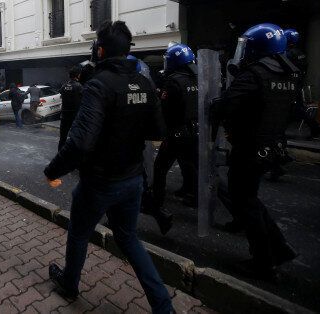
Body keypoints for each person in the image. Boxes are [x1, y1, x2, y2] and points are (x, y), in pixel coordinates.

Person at [44, 21, 171, 313]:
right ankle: (163, 306)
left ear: (100, 50)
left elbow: (80, 143)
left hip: (100, 183)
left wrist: (53, 170)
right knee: (128, 238)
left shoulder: (99, 85)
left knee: (78, 234)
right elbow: (157, 132)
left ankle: (70, 284)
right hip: (132, 180)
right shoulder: (144, 83)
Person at [213, 23, 298, 278]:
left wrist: (215, 107)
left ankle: (264, 262)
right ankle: (279, 248)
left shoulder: (254, 74)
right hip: (272, 146)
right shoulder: (289, 74)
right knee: (251, 199)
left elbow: (226, 105)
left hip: (250, 148)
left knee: (244, 201)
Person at [147, 43, 199, 233]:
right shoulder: (198, 78)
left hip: (177, 134)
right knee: (196, 167)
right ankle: (196, 195)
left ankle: (157, 202)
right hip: (196, 131)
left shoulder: (173, 81)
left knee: (160, 168)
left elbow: (165, 110)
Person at [58, 66, 83, 150]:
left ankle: (60, 156)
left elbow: (62, 95)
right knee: (75, 138)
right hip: (75, 116)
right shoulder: (79, 86)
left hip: (64, 115)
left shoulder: (64, 85)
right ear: (78, 75)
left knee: (62, 138)